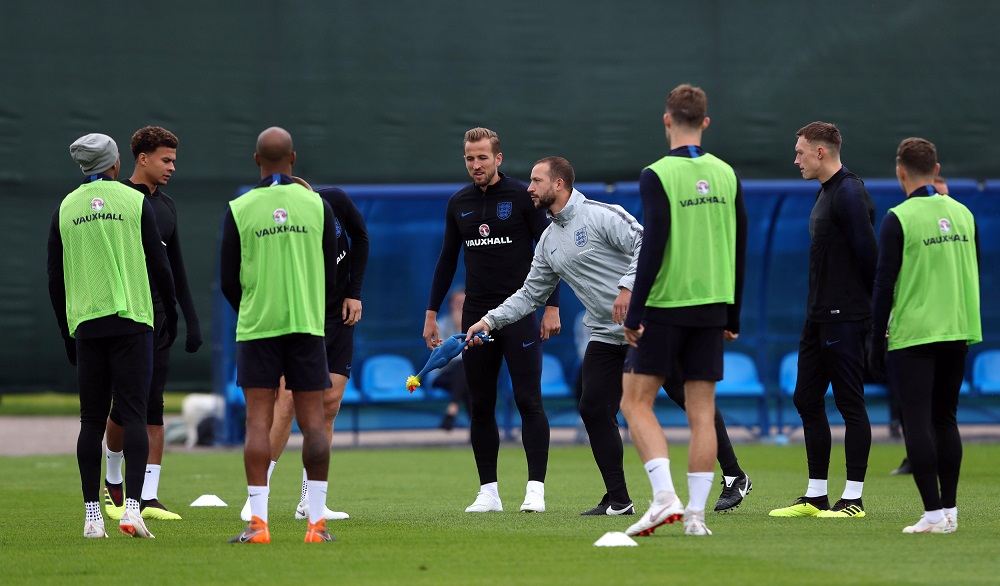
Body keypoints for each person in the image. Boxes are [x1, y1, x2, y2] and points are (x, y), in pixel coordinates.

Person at [467, 156, 752, 517]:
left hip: (648, 324)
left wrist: (628, 287)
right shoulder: (548, 240)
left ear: (559, 184)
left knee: (688, 398)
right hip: (604, 333)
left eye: (537, 181)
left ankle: (735, 475)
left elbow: (648, 242)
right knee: (592, 407)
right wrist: (489, 321)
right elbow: (530, 294)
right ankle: (619, 500)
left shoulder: (601, 214)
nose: (530, 188)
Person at [620, 84, 748, 537]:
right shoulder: (726, 173)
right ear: (705, 122)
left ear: (667, 119)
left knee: (634, 402)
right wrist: (733, 314)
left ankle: (663, 498)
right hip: (712, 307)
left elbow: (654, 244)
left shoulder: (657, 174)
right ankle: (695, 515)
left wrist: (635, 312)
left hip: (667, 303)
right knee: (702, 412)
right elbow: (740, 245)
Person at [423, 127, 560, 513]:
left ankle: (535, 490)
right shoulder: (459, 203)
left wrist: (551, 306)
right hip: (475, 319)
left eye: (482, 157)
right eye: (470, 158)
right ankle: (488, 492)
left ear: (498, 158)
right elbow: (447, 260)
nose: (476, 164)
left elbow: (550, 250)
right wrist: (431, 314)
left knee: (528, 400)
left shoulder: (521, 196)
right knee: (480, 404)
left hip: (519, 312)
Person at [48, 133, 177, 539]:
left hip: (87, 325)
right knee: (135, 415)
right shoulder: (134, 201)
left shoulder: (65, 207)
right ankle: (132, 510)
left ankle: (92, 517)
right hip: (132, 321)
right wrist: (172, 312)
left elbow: (54, 278)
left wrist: (67, 331)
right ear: (115, 163)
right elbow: (160, 263)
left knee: (91, 420)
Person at [220, 127, 339, 543]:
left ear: (256, 160)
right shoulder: (317, 205)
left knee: (258, 422)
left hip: (257, 328)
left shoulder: (239, 208)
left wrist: (255, 308)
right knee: (314, 423)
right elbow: (330, 273)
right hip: (306, 326)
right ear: (293, 158)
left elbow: (228, 280)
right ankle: (317, 526)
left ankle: (258, 525)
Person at [238, 176, 369, 523]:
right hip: (304, 318)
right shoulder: (281, 227)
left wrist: (354, 293)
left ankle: (310, 502)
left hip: (340, 315)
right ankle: (258, 493)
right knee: (287, 401)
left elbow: (361, 237)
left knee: (330, 403)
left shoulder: (335, 200)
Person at [868, 138, 981, 534]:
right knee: (946, 419)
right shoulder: (964, 214)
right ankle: (950, 513)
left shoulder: (898, 218)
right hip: (958, 329)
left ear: (900, 172)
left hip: (914, 334)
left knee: (916, 421)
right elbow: (973, 267)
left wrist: (874, 339)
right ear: (936, 170)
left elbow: (884, 283)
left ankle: (933, 514)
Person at [769, 122, 877, 519]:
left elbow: (870, 258)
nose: (795, 159)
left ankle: (853, 500)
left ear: (820, 152)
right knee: (806, 398)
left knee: (850, 403)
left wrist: (874, 313)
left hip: (845, 317)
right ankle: (816, 496)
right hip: (817, 316)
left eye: (800, 152)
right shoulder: (826, 192)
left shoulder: (850, 192)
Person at [101, 126, 201, 522]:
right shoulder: (117, 199)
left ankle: (148, 497)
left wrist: (190, 319)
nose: (172, 167)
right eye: (166, 160)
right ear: (142, 158)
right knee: (126, 404)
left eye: (174, 160)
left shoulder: (168, 206)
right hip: (125, 315)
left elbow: (176, 267)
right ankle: (113, 479)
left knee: (154, 403)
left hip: (159, 317)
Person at [887, 176, 950, 477]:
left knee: (940, 410)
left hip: (944, 329)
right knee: (914, 405)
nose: (941, 199)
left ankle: (939, 478)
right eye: (937, 193)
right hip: (917, 329)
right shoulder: (908, 222)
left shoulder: (957, 224)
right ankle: (918, 459)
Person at [434, 289, 470, 431]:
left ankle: (452, 409)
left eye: (464, 302)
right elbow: (442, 354)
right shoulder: (441, 324)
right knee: (464, 369)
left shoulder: (476, 325)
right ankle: (476, 429)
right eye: (457, 302)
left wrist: (463, 326)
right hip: (443, 374)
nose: (460, 306)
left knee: (467, 381)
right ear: (451, 305)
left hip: (463, 376)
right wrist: (458, 327)